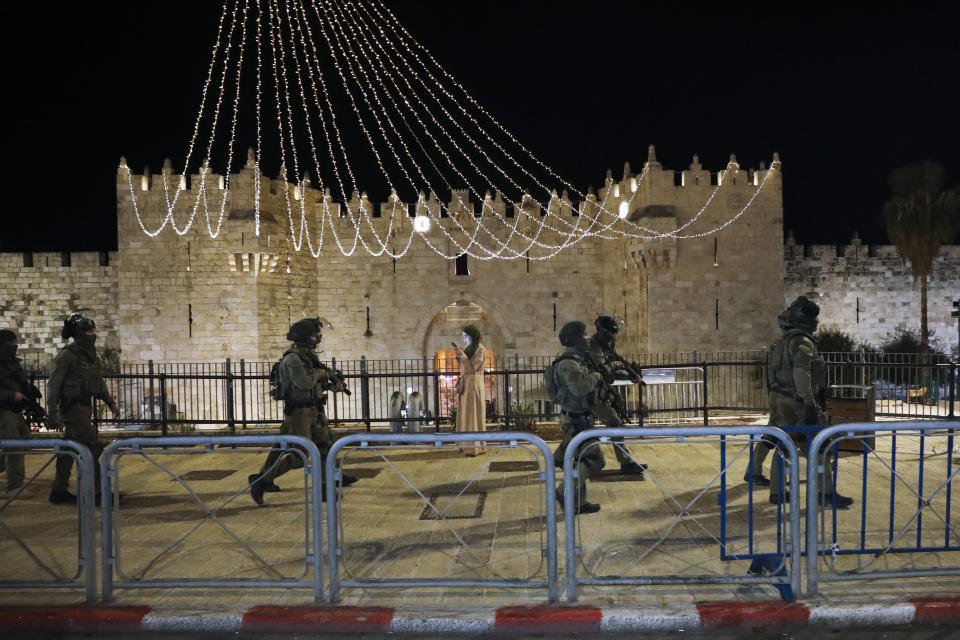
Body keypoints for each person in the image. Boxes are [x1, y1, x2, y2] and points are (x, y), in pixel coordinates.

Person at [748, 297, 853, 508]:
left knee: (783, 446)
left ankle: (778, 492)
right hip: (797, 403)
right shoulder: (803, 343)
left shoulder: (781, 343)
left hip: (781, 401)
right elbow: (802, 374)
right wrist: (809, 403)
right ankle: (825, 493)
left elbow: (771, 376)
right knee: (820, 446)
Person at [250, 318, 356, 505]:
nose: (320, 336)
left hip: (314, 409)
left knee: (325, 446)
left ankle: (325, 488)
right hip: (299, 414)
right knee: (299, 456)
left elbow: (315, 385)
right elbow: (304, 382)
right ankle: (261, 481)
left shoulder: (308, 356)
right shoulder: (293, 358)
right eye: (317, 334)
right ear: (308, 337)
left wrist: (333, 385)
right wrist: (322, 373)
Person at [47, 314, 120, 505]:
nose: (92, 334)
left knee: (67, 450)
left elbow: (97, 382)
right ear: (79, 334)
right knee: (92, 448)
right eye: (88, 331)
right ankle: (97, 493)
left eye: (94, 331)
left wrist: (110, 403)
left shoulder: (89, 355)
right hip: (74, 408)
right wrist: (52, 412)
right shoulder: (67, 356)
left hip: (84, 407)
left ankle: (59, 490)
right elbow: (54, 385)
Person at [551, 321, 604, 514]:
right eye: (584, 335)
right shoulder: (568, 364)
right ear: (575, 339)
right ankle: (562, 491)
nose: (588, 338)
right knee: (595, 460)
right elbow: (580, 388)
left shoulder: (576, 360)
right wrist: (596, 376)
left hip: (578, 417)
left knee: (578, 460)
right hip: (575, 420)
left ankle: (579, 503)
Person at [586, 316, 648, 475]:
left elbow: (611, 369)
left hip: (599, 393)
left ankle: (574, 459)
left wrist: (630, 373)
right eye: (613, 333)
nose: (615, 336)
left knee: (583, 429)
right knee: (615, 425)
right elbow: (603, 369)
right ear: (606, 333)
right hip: (591, 394)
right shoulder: (595, 347)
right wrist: (621, 365)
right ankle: (624, 463)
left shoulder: (605, 344)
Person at [0, 330, 33, 500]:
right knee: (14, 447)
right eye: (12, 344)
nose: (15, 346)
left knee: (22, 444)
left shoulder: (12, 363)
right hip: (4, 412)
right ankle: (14, 486)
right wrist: (11, 395)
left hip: (14, 410)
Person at [453, 325, 486, 456]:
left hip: (474, 384)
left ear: (472, 336)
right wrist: (459, 357)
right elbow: (465, 367)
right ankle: (464, 443)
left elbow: (474, 368)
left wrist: (463, 357)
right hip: (467, 383)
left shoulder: (480, 350)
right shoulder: (468, 348)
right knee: (465, 412)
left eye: (466, 336)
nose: (464, 338)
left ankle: (474, 447)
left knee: (473, 413)